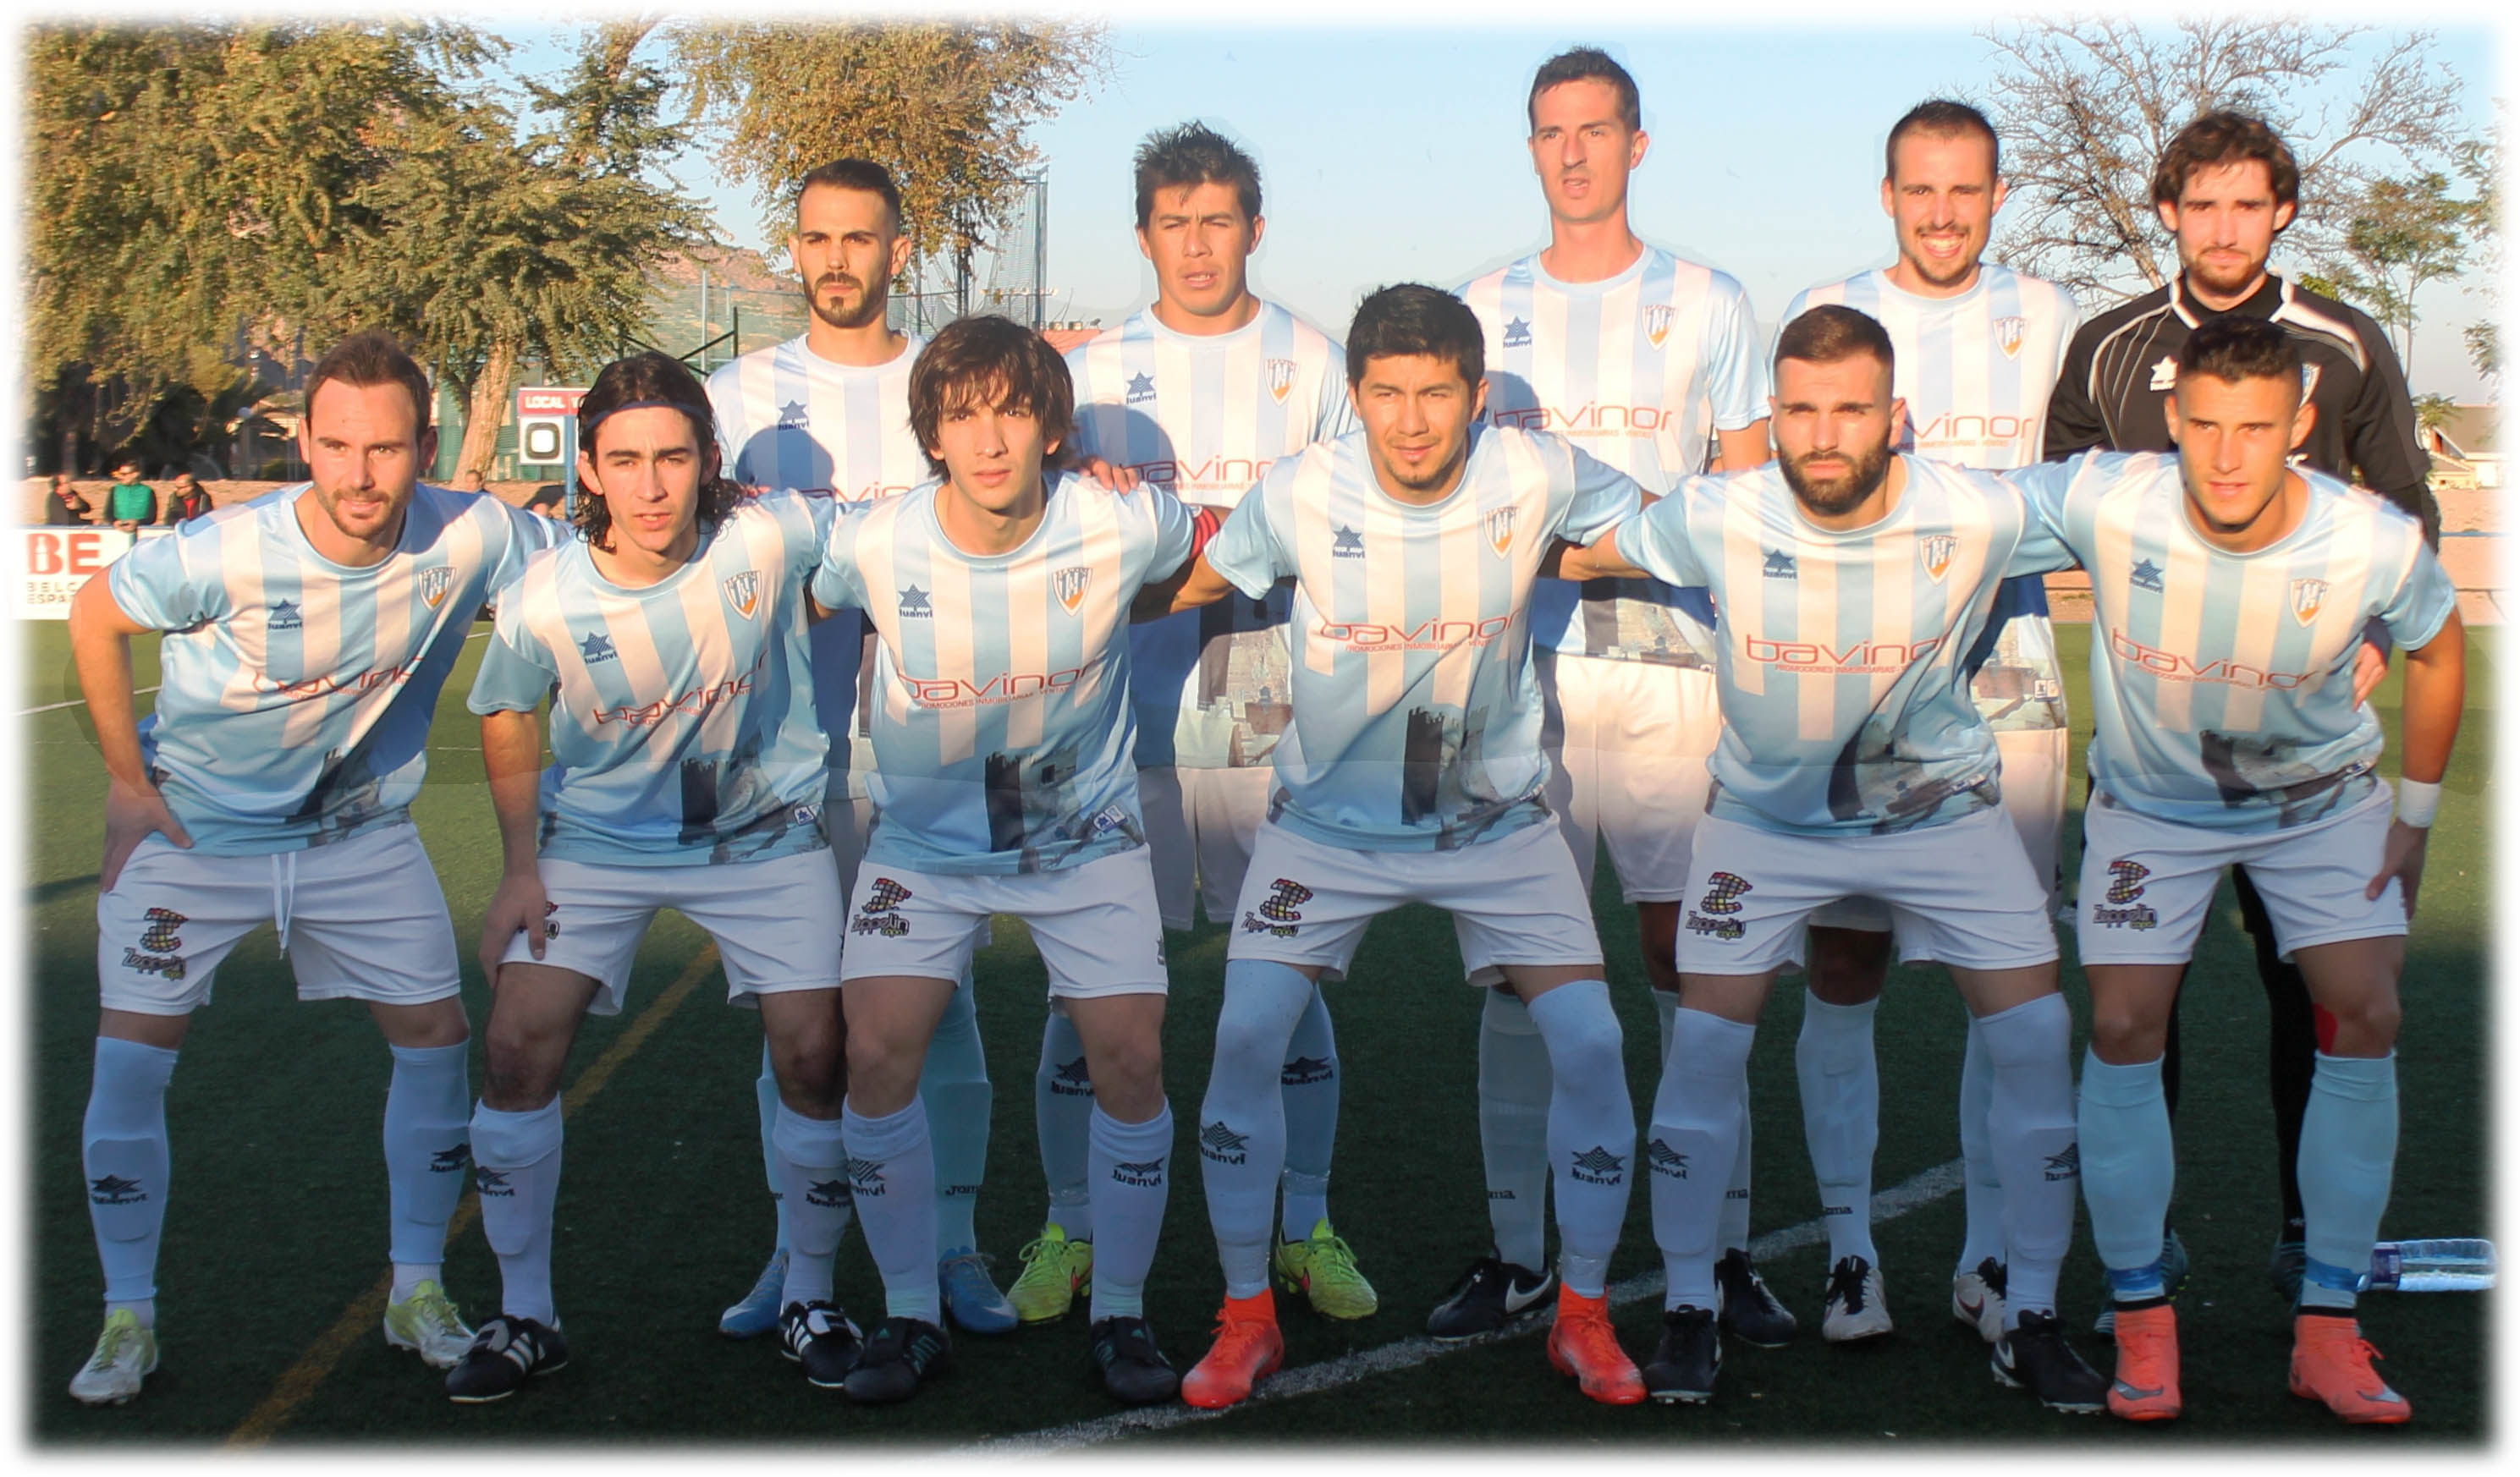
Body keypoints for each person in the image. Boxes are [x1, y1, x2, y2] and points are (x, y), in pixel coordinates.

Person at [1554, 305, 2105, 1412]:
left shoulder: (1975, 508)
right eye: (1799, 410)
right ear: (1771, 415)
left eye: (1848, 409)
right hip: (1763, 829)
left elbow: (2142, 504)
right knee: (1702, 1050)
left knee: (2037, 1041)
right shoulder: (1717, 511)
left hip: (1940, 817)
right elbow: (1573, 540)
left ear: (1893, 416)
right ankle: (1689, 1310)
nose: (1821, 435)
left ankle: (2032, 1315)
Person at [1164, 283, 1648, 1409]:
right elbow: (1192, 577)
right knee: (1242, 1036)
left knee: (1589, 1043)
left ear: (1476, 397)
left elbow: (1657, 528)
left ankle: (1582, 1314)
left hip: (1496, 824)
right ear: (1354, 396)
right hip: (1324, 830)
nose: (1412, 420)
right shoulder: (1300, 488)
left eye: (1436, 393)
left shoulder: (1533, 471)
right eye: (1386, 393)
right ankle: (1246, 1317)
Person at [62, 329, 552, 1405]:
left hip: (358, 839)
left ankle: (416, 1291)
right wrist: (128, 784)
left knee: (437, 1043)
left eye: (384, 448)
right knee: (131, 1067)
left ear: (426, 445)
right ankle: (126, 1316)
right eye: (335, 446)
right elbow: (96, 614)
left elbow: (599, 562)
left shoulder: (474, 531)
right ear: (306, 443)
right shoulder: (227, 549)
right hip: (193, 840)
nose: (358, 474)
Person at [2015, 316, 2462, 1423]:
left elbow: (2438, 644)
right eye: (2204, 426)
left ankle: (2327, 1328)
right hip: (2150, 811)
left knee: (2364, 1011)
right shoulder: (2107, 495)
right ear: (2170, 417)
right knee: (2123, 1024)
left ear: (2298, 425)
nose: (2224, 456)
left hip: (2317, 809)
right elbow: (1952, 515)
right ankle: (2140, 1318)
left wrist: (2411, 819)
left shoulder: (2367, 536)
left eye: (2253, 429)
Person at [2044, 109, 2438, 1313]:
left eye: (2247, 205)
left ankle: (2307, 1234)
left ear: (2282, 213)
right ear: (2167, 211)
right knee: (2133, 1009)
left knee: (2314, 993)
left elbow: (2403, 504)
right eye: (2201, 204)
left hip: (2301, 739)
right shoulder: (2109, 346)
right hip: (2155, 744)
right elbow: (2062, 496)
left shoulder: (2344, 342)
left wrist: (2369, 628)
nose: (2223, 228)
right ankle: (2143, 1242)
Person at [1446, 46, 1791, 1347]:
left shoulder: (1709, 301)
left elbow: (1745, 507)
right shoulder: (1480, 305)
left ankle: (1722, 1247)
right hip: (1518, 677)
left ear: (1636, 143)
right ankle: (1515, 1252)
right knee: (1517, 967)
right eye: (1551, 132)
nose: (1573, 152)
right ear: (1529, 148)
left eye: (1595, 129)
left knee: (1683, 952)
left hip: (1674, 675)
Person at [809, 316, 1198, 1406]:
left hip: (1085, 841)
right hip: (923, 848)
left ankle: (1119, 1312)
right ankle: (909, 1313)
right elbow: (802, 596)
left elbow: (1209, 555)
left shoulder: (1120, 520)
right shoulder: (875, 541)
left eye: (1012, 413)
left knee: (1130, 1060)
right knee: (873, 1053)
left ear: (1053, 430)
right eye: (962, 415)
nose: (987, 440)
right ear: (930, 434)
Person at [454, 352, 859, 1402]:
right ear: (589, 470)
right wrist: (518, 868)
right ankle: (525, 1314)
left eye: (671, 458)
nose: (649, 485)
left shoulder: (770, 535)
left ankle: (810, 1294)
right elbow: (506, 711)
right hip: (596, 847)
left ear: (707, 461)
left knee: (815, 1055)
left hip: (763, 841)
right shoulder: (544, 596)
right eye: (624, 461)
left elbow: (914, 535)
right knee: (513, 1050)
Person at [1028, 120, 1372, 1329]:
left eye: (1216, 220)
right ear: (1142, 237)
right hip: (1109, 725)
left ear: (1253, 229)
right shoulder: (1090, 373)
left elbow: (1351, 532)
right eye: (1172, 223)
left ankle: (1304, 1224)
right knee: (1081, 992)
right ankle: (1069, 1227)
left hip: (1264, 714)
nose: (1195, 244)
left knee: (1283, 973)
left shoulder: (1313, 363)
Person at [1775, 98, 2082, 1345]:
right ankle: (1848, 1254)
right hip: (1857, 691)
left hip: (2009, 682)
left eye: (1964, 190)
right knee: (1842, 965)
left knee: (1996, 978)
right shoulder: (1828, 308)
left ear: (1997, 196)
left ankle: (1985, 1258)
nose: (1941, 213)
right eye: (1919, 189)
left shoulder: (2049, 316)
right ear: (1886, 195)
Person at [704, 158, 1015, 1339]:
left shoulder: (948, 388)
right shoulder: (738, 397)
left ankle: (953, 1245)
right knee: (797, 1017)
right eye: (816, 238)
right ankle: (800, 1256)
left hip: (931, 754)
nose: (836, 260)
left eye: (860, 238)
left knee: (944, 1007)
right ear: (794, 249)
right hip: (785, 759)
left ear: (899, 250)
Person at [104, 462, 157, 533]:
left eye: (124, 474)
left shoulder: (148, 491)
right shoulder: (115, 490)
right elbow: (108, 513)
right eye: (119, 474)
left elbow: (151, 517)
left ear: (135, 474)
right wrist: (114, 522)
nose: (121, 477)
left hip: (140, 532)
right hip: (117, 531)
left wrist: (137, 522)